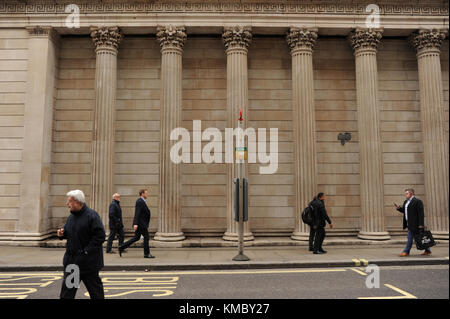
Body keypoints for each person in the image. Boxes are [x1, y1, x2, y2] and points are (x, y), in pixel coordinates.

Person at [57, 189, 106, 299]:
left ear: (77, 202)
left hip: (88, 264)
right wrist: (62, 234)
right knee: (67, 294)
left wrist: (86, 252)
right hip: (73, 263)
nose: (67, 204)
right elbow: (69, 232)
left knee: (96, 294)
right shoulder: (71, 216)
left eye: (69, 201)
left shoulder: (92, 216)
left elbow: (100, 236)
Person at [395, 188, 431, 256]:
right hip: (409, 223)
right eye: (405, 193)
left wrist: (421, 224)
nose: (405, 195)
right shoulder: (406, 202)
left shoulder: (417, 201)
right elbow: (405, 211)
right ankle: (428, 250)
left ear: (411, 194)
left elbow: (421, 214)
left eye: (407, 193)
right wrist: (399, 209)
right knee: (420, 238)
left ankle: (406, 251)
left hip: (416, 224)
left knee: (410, 238)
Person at [119, 189, 154, 258]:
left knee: (136, 237)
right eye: (146, 193)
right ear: (142, 194)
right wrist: (135, 223)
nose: (147, 195)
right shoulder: (139, 201)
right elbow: (137, 213)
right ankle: (146, 254)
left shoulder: (142, 201)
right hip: (141, 224)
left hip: (141, 224)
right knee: (146, 237)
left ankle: (121, 247)